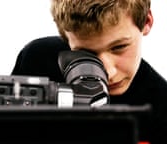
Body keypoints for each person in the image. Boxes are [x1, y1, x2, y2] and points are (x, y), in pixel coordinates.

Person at [11, 0, 167, 143]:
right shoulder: (37, 61)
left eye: (119, 47)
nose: (109, 73)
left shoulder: (162, 109)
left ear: (146, 22)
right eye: (87, 54)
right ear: (65, 35)